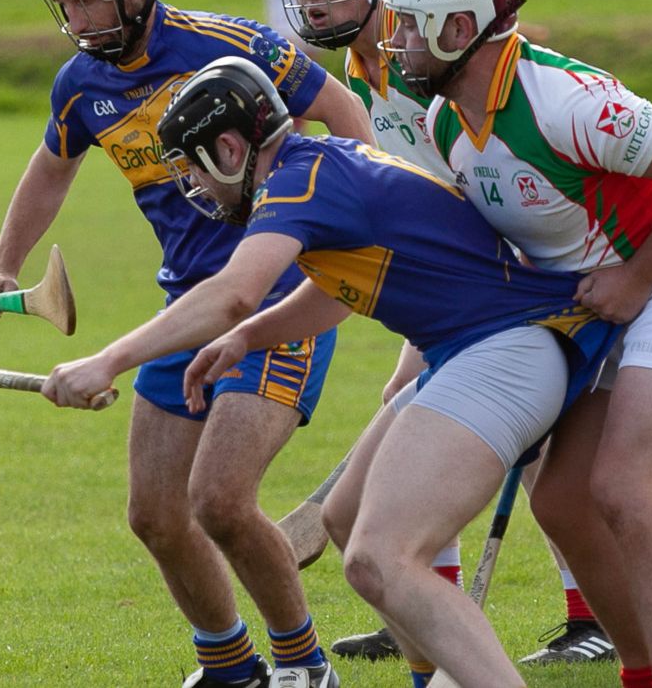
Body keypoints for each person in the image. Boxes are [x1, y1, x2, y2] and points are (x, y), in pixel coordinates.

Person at [42, 56, 619, 688]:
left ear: (231, 148)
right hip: (477, 347)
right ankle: (432, 678)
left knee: (381, 560)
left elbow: (233, 290)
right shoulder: (319, 165)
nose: (197, 190)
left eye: (194, 168)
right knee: (343, 519)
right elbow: (337, 289)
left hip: (511, 347)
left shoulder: (296, 184)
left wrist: (109, 359)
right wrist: (249, 337)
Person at [0, 0, 370, 688]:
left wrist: (363, 217)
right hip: (188, 302)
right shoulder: (82, 83)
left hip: (280, 299)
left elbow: (340, 109)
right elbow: (52, 166)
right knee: (155, 514)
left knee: (220, 500)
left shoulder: (227, 47)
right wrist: (1, 267)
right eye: (64, 3)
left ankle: (304, 668)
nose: (74, 17)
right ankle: (229, 667)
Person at [380, 0, 652, 688]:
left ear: (461, 28)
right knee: (566, 502)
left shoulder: (562, 102)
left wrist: (636, 278)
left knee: (627, 489)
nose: (397, 41)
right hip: (616, 291)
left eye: (410, 24)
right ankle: (642, 672)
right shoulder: (446, 122)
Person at [275, 0, 616, 668]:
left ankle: (588, 617)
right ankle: (420, 611)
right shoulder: (356, 78)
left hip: (527, 269)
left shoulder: (429, 58)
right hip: (455, 284)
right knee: (421, 430)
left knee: (528, 453)